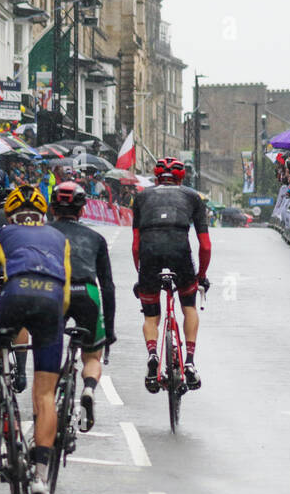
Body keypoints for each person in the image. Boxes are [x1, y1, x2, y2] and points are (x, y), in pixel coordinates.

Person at [0, 185, 70, 494]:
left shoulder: (1, 235)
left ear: (10, 215)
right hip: (51, 303)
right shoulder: (59, 238)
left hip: (15, 295)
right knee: (44, 397)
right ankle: (40, 476)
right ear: (43, 215)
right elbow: (66, 295)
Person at [132, 157, 209, 391]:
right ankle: (189, 362)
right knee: (189, 307)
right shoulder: (193, 197)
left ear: (156, 177)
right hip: (179, 251)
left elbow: (136, 245)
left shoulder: (141, 197)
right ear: (181, 178)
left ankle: (153, 354)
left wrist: (142, 275)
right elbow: (205, 245)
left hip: (150, 253)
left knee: (150, 315)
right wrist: (201, 276)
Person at [49, 181, 116, 429]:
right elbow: (108, 286)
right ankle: (88, 390)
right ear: (82, 210)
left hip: (55, 290)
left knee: (50, 347)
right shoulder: (95, 238)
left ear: (53, 208)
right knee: (91, 356)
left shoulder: (44, 232)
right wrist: (108, 331)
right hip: (87, 292)